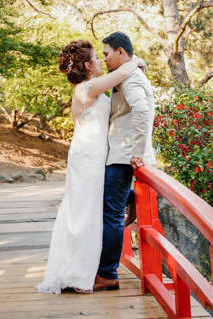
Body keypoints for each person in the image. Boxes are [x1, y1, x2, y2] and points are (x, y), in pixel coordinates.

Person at [36, 39, 145, 294]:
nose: (100, 61)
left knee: (93, 208)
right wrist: (137, 61)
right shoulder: (86, 88)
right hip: (87, 156)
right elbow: (122, 72)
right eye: (96, 58)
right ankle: (78, 271)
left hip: (97, 154)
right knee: (83, 212)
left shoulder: (94, 87)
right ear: (87, 66)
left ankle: (91, 266)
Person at [95, 31, 157, 291]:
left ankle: (107, 273)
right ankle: (130, 197)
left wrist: (138, 151)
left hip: (124, 157)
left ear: (121, 51)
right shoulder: (130, 72)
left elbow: (141, 109)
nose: (104, 59)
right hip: (121, 154)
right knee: (109, 206)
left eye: (106, 54)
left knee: (110, 215)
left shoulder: (131, 78)